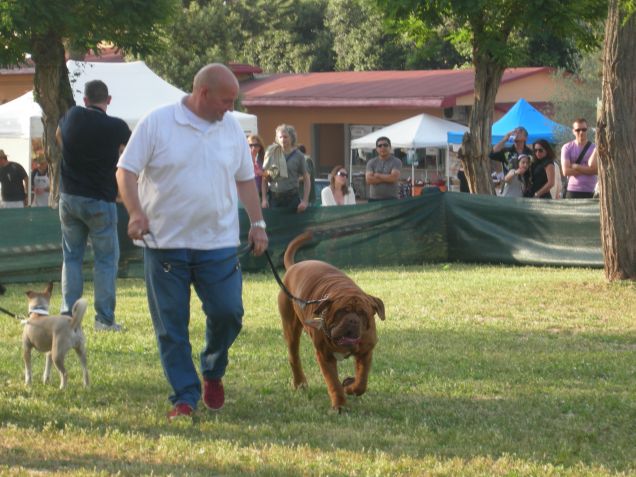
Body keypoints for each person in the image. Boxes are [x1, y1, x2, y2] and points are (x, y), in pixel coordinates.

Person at [116, 63, 268, 420]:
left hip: (218, 243)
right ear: (203, 93)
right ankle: (184, 396)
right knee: (171, 326)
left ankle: (212, 370)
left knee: (228, 312)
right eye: (226, 100)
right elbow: (126, 171)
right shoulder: (158, 122)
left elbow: (246, 179)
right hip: (164, 244)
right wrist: (135, 212)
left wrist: (257, 222)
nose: (231, 108)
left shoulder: (230, 128)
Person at [56, 79, 131, 332]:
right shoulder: (117, 126)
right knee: (106, 260)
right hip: (101, 199)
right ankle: (104, 319)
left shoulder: (72, 116)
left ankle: (68, 317)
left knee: (72, 257)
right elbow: (129, 153)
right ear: (108, 100)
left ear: (84, 99)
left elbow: (58, 136)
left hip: (69, 196)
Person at [261, 124, 310, 212]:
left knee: (293, 225)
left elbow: (306, 178)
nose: (283, 139)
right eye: (280, 137)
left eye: (285, 137)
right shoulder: (271, 152)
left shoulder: (299, 156)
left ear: (291, 138)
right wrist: (264, 199)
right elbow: (264, 178)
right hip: (274, 199)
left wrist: (305, 201)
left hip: (292, 199)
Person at [561, 118, 596, 199]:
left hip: (591, 191)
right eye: (578, 130)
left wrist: (576, 166)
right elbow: (566, 171)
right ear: (573, 131)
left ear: (587, 130)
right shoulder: (567, 147)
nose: (581, 132)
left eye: (584, 129)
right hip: (572, 190)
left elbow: (596, 170)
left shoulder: (595, 148)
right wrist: (588, 170)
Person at [365, 136, 402, 201]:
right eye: (380, 146)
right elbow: (369, 180)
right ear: (376, 149)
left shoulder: (396, 161)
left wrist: (378, 175)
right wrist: (387, 177)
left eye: (385, 145)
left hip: (392, 199)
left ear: (390, 147)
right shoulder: (371, 162)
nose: (383, 147)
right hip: (374, 199)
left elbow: (393, 178)